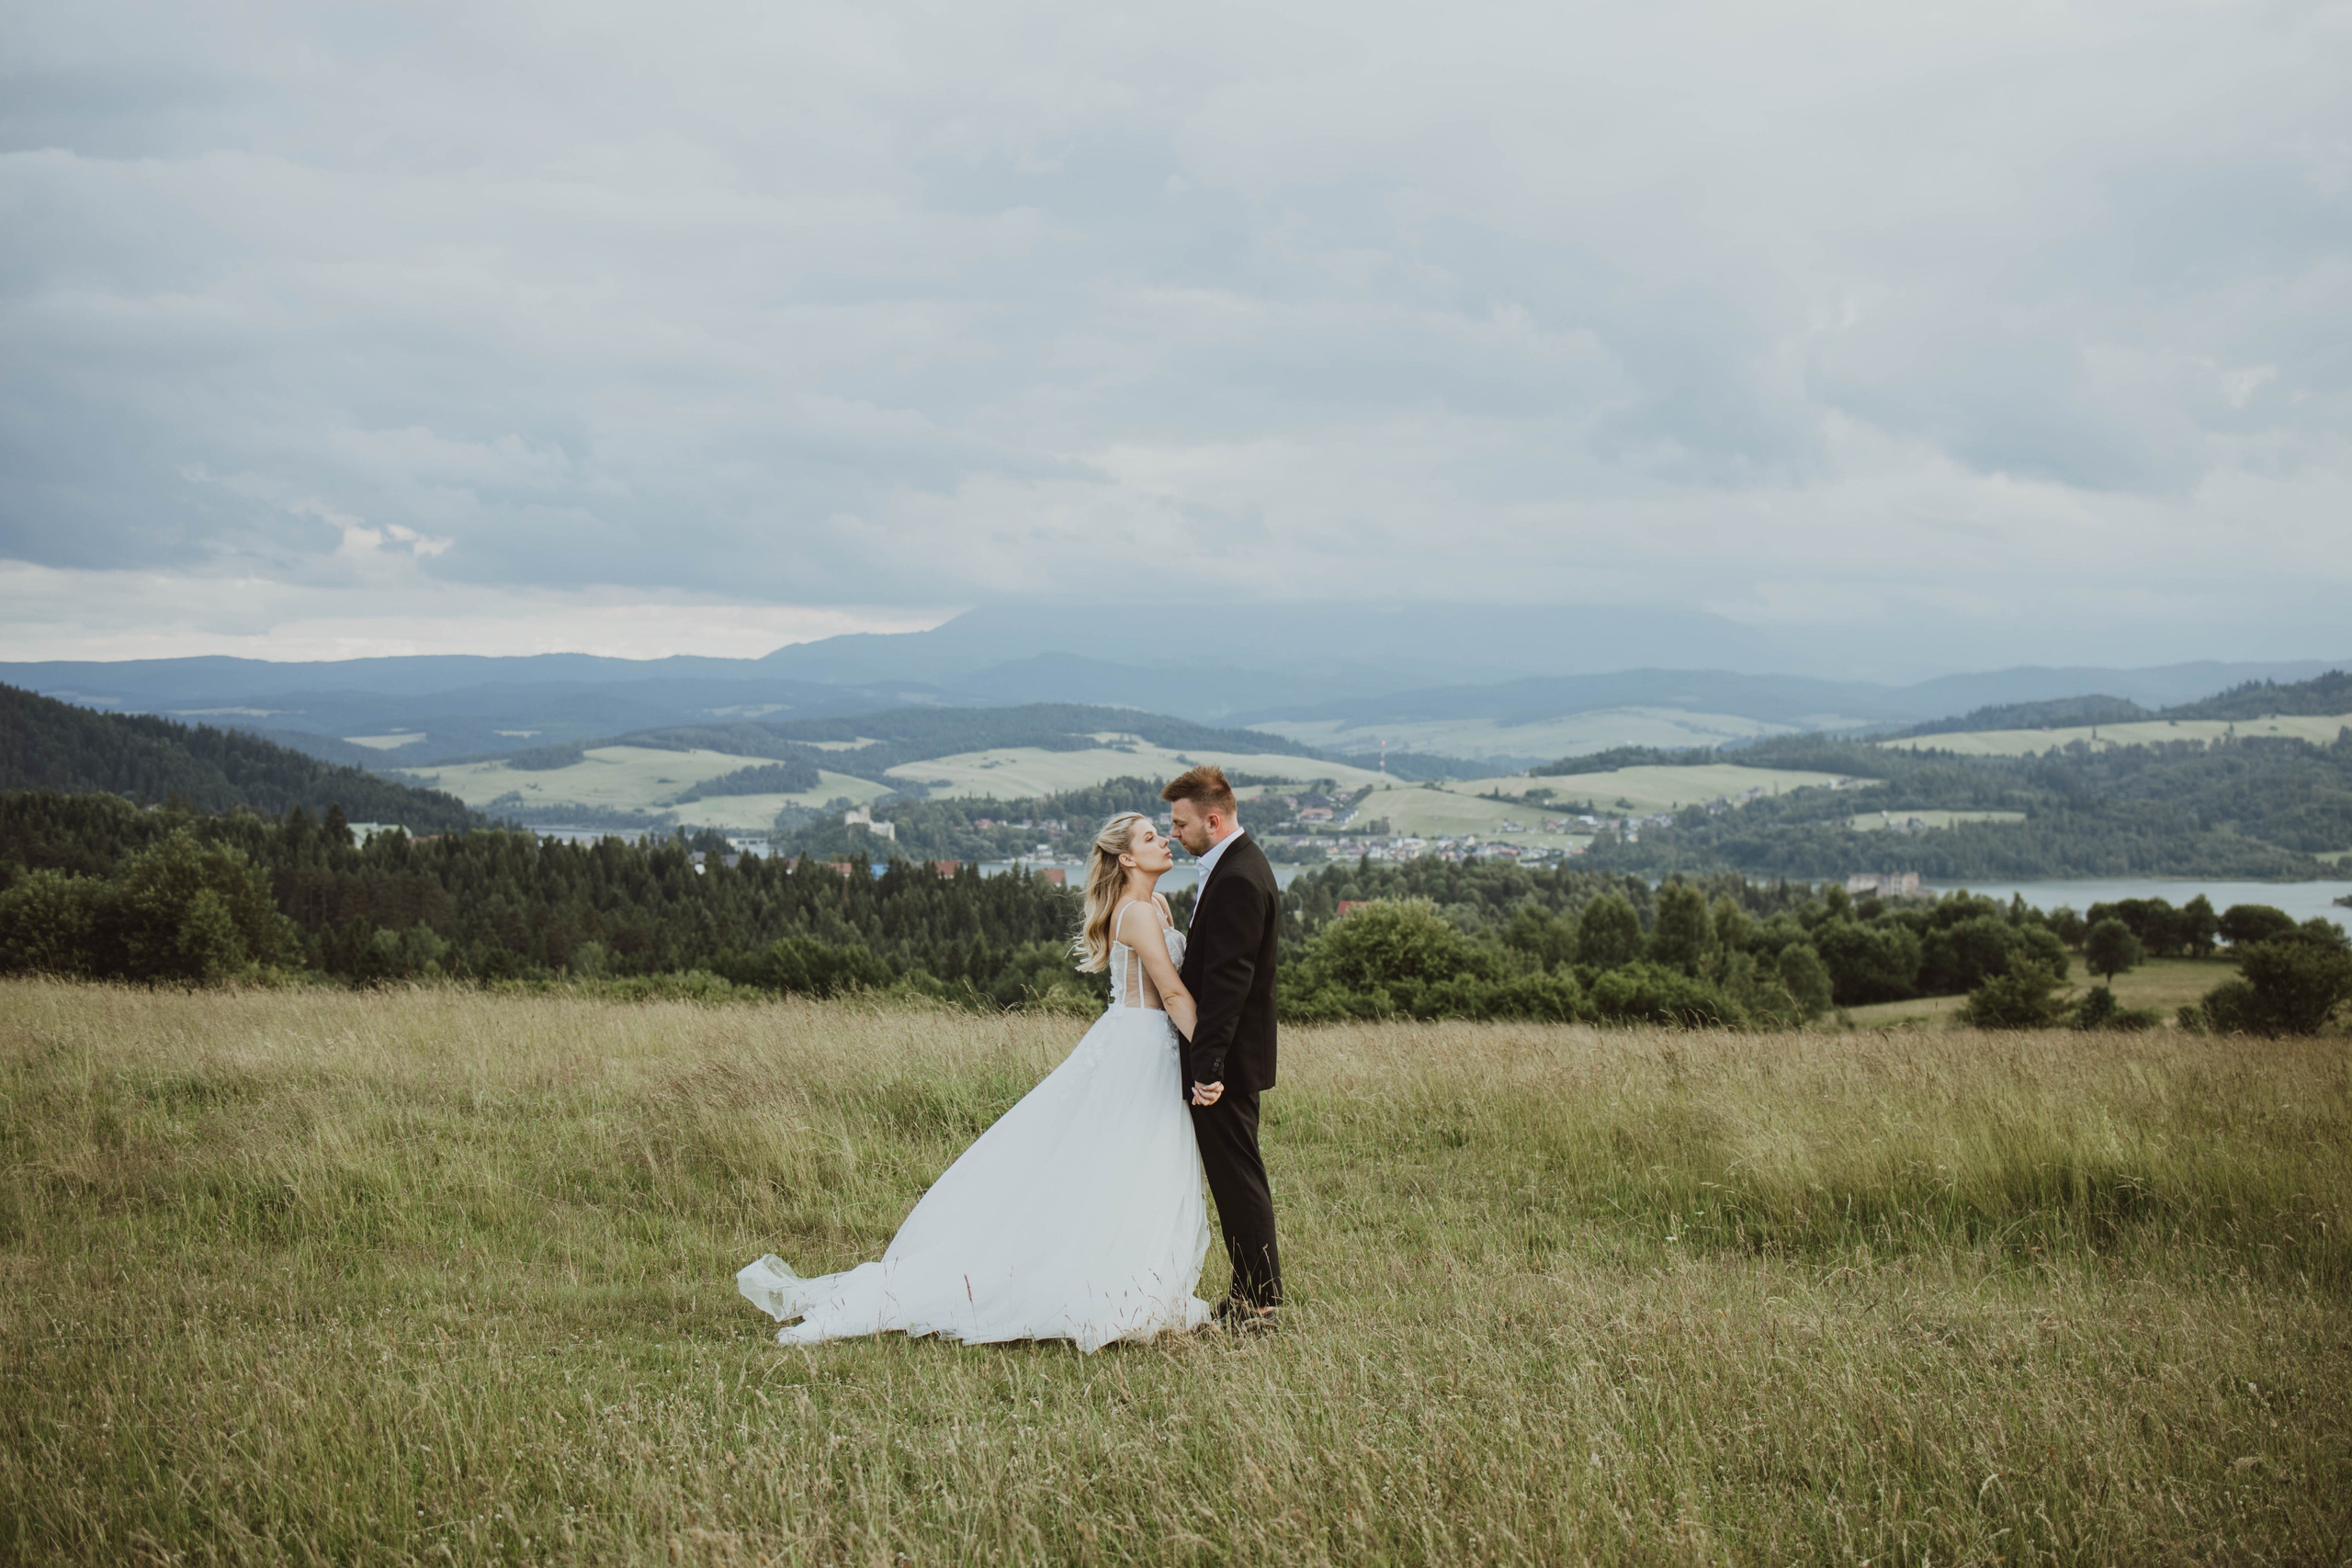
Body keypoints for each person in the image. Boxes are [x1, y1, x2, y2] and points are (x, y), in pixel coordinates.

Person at [736, 812, 1216, 1351]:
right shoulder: (1136, 915)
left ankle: (1140, 1278)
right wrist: (1211, 1059)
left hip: (1151, 1045)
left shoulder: (1156, 906)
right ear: (1127, 858)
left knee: (1140, 1161)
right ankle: (1105, 1286)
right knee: (1125, 1159)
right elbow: (1173, 995)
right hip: (1140, 1046)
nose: (1166, 840)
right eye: (1152, 837)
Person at [1162, 763, 1283, 1329]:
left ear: (1213, 819)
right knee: (1236, 1172)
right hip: (1230, 1056)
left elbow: (1229, 982)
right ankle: (1253, 1292)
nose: (1173, 833)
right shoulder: (1235, 863)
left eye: (1181, 823)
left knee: (1236, 1174)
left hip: (1227, 1061)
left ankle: (1260, 1300)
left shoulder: (1236, 876)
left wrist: (1207, 1067)